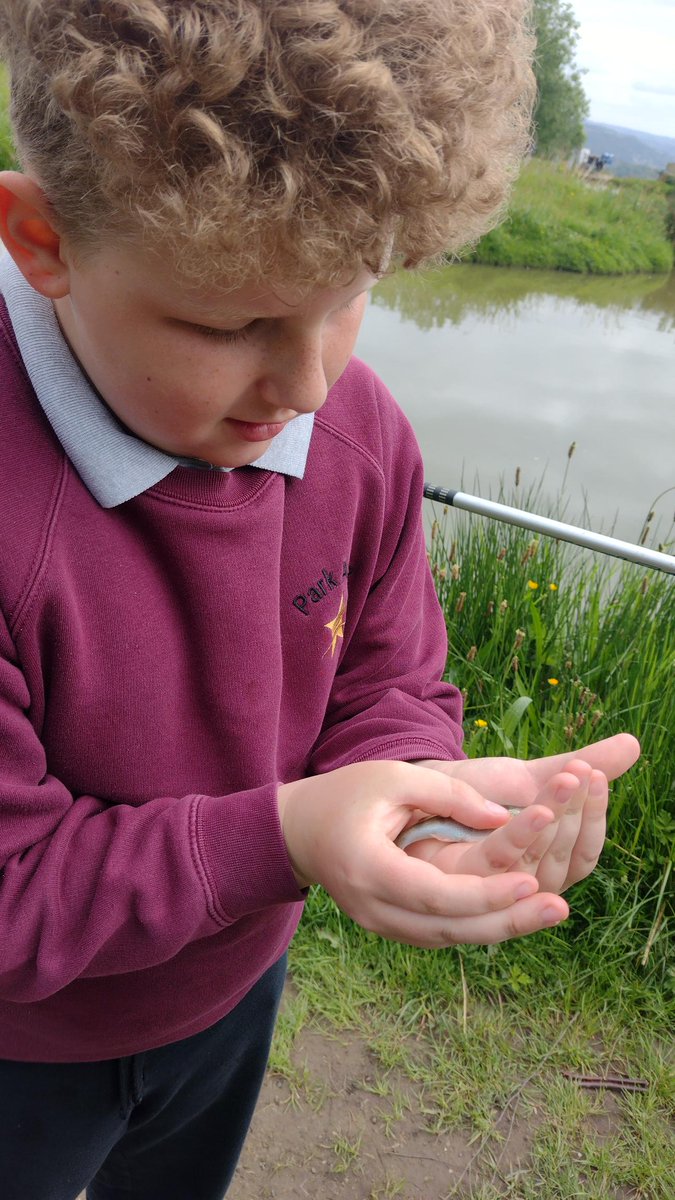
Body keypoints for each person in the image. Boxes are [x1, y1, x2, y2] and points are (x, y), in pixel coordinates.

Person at [0, 3, 639, 1198]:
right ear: (42, 239)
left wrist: (429, 810)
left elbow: (393, 683)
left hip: (235, 990)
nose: (305, 385)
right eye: (230, 323)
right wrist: (288, 834)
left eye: (350, 297)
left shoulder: (357, 433)